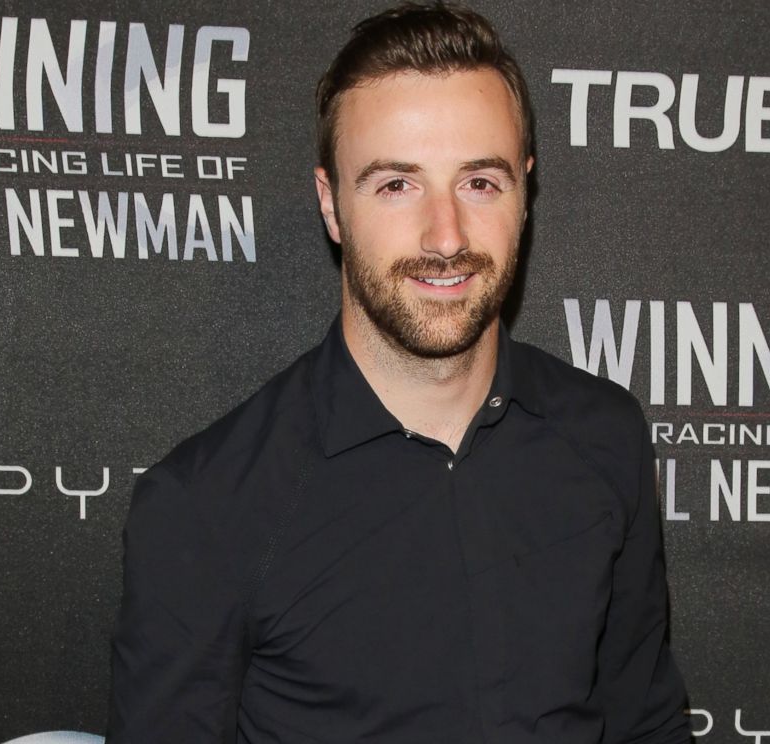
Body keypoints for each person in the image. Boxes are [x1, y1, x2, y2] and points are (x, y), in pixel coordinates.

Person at [107, 3, 691, 743]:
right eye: (395, 184)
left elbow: (644, 722)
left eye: (480, 181)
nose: (445, 237)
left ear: (525, 190)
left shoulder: (604, 436)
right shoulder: (207, 506)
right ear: (331, 204)